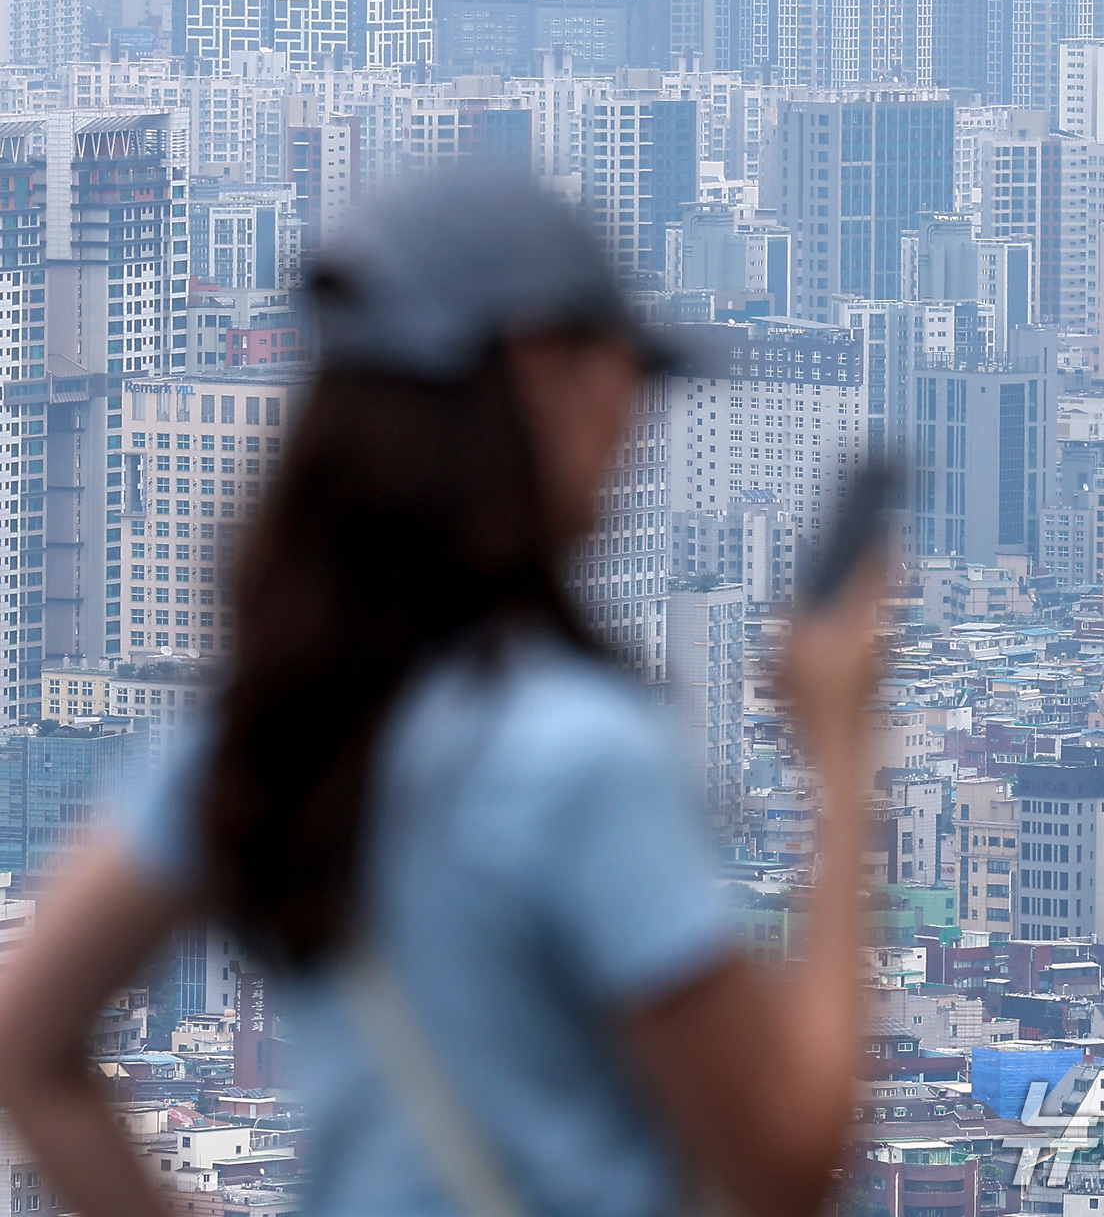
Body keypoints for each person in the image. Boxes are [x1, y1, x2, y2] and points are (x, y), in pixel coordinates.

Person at [0, 171, 882, 1217]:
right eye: (626, 380)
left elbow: (27, 1042)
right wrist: (841, 758)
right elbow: (786, 1164)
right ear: (541, 366)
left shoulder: (265, 722)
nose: (637, 435)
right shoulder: (579, 755)